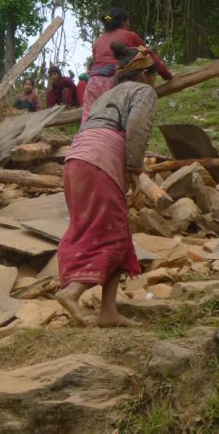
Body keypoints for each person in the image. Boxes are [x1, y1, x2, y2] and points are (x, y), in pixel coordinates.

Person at [55, 42, 160, 328]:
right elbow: (137, 127)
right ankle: (73, 292)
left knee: (112, 229)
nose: (155, 81)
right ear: (145, 75)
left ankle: (108, 312)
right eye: (154, 75)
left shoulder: (107, 94)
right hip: (100, 161)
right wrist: (134, 169)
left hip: (76, 160)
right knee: (111, 233)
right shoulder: (144, 92)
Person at [83, 8, 172, 123]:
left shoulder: (98, 40)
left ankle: (83, 139)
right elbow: (151, 57)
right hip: (114, 80)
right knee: (116, 120)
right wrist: (167, 76)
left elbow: (94, 65)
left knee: (87, 119)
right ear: (124, 22)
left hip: (93, 82)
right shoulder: (130, 36)